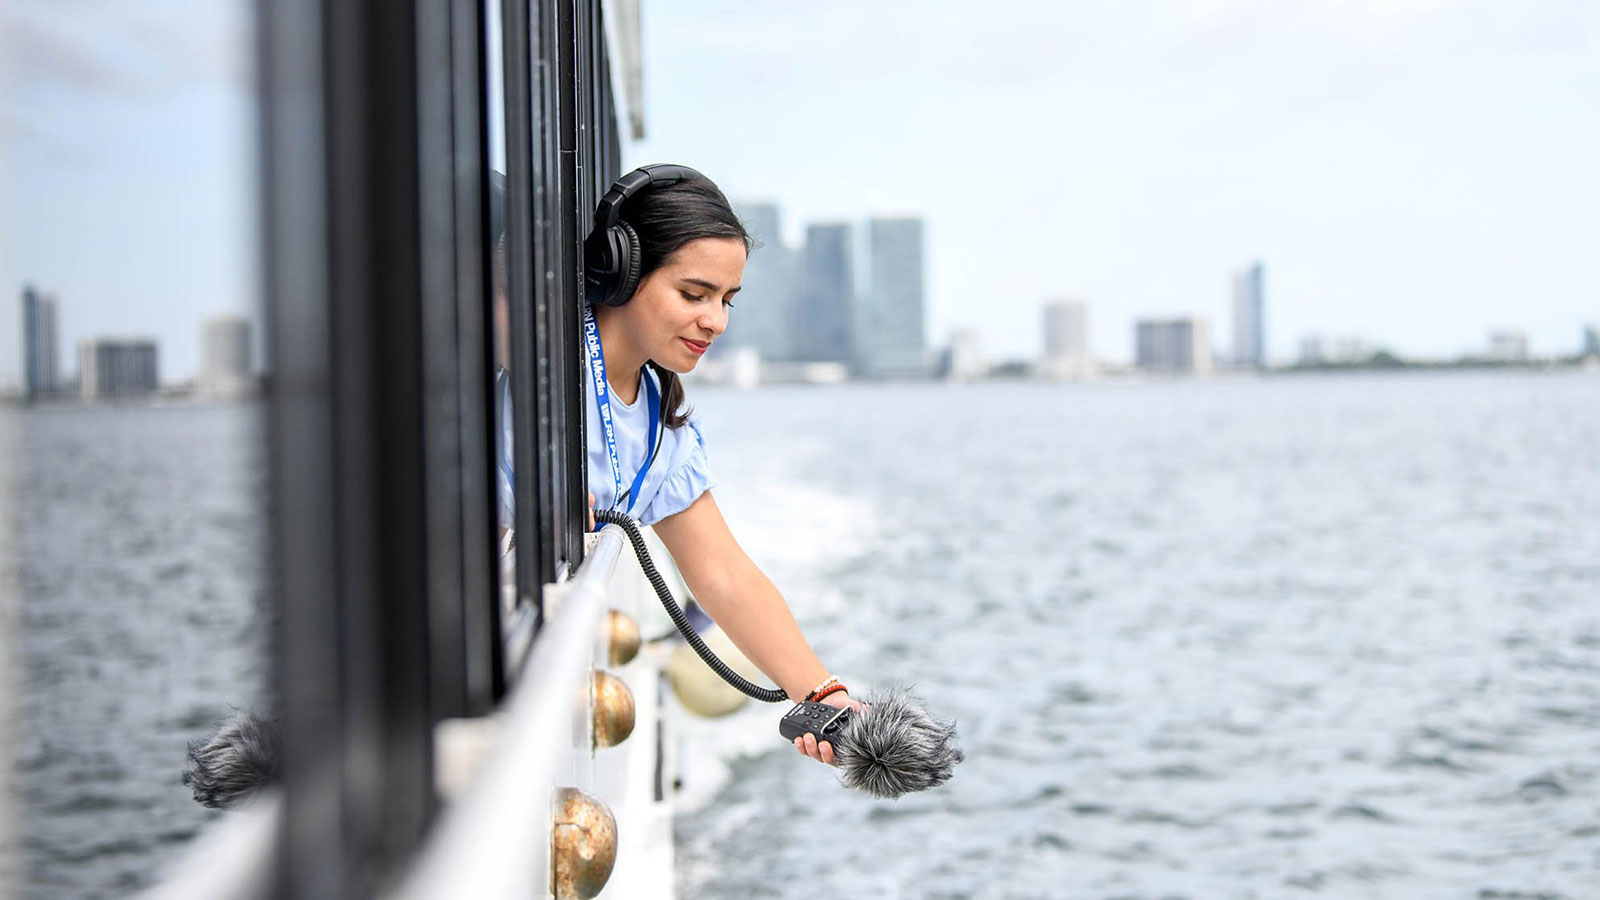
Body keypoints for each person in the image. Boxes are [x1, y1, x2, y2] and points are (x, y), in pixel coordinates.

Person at [582, 165, 859, 767]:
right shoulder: (532, 367)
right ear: (621, 270)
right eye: (694, 294)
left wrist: (825, 696)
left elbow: (724, 574)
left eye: (727, 300)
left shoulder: (662, 426)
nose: (717, 321)